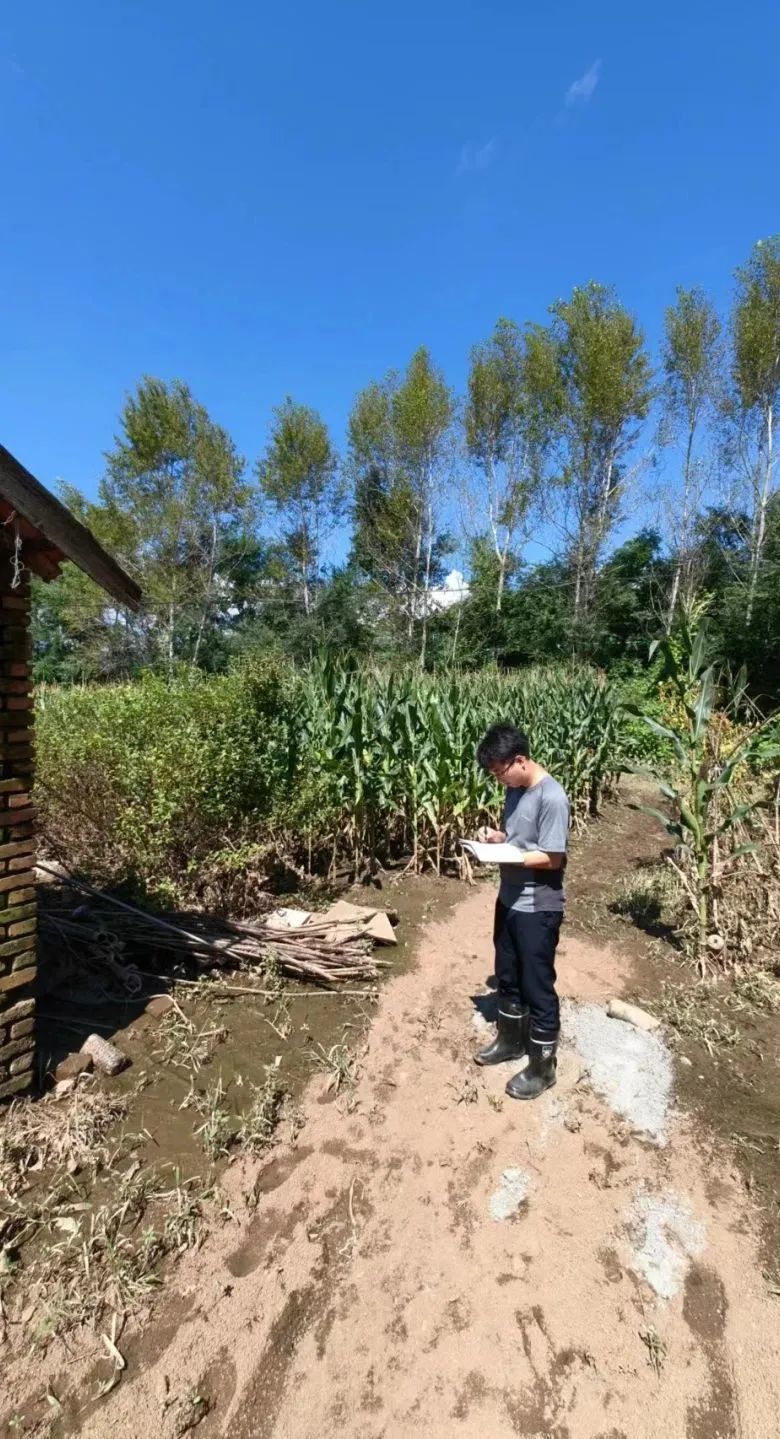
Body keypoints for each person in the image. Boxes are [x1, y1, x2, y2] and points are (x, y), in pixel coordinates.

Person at [472, 722, 570, 1100]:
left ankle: (543, 1067)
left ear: (520, 761)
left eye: (501, 772)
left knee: (537, 986)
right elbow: (518, 838)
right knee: (507, 975)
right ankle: (511, 1042)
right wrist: (497, 840)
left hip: (537, 905)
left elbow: (552, 856)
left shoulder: (552, 797)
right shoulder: (516, 790)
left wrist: (510, 854)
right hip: (509, 897)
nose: (499, 781)